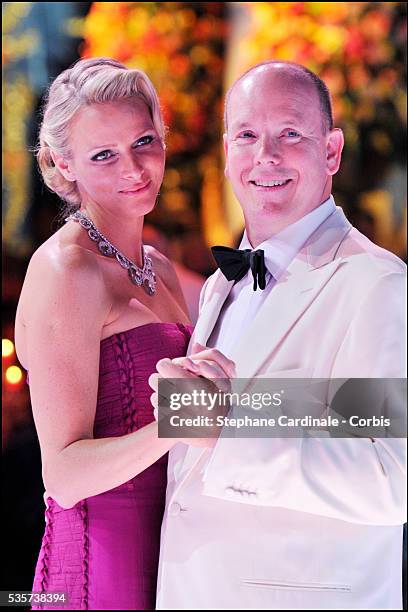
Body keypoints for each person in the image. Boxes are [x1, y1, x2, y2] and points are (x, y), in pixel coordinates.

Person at [153, 61, 407, 610]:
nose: (265, 155)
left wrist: (230, 430)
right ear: (227, 151)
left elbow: (390, 481)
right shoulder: (224, 283)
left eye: (290, 133)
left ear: (332, 152)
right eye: (247, 135)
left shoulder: (375, 283)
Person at [14, 57, 225, 611]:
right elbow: (62, 476)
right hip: (101, 564)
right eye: (103, 154)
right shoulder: (66, 271)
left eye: (144, 141)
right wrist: (174, 425)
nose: (134, 169)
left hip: (177, 553)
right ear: (64, 164)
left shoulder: (156, 265)